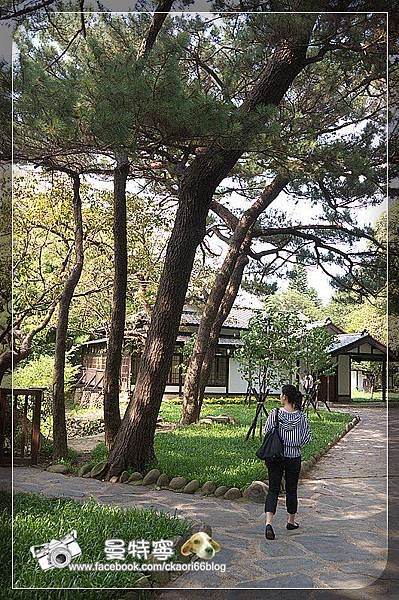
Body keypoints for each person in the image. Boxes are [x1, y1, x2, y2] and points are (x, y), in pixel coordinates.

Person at [263, 383, 312, 540]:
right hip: (294, 457)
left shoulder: (275, 413)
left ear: (285, 397)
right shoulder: (301, 417)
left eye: (281, 394)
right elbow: (306, 438)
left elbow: (267, 431)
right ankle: (291, 521)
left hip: (275, 456)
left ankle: (269, 523)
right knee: (292, 489)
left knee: (273, 490)